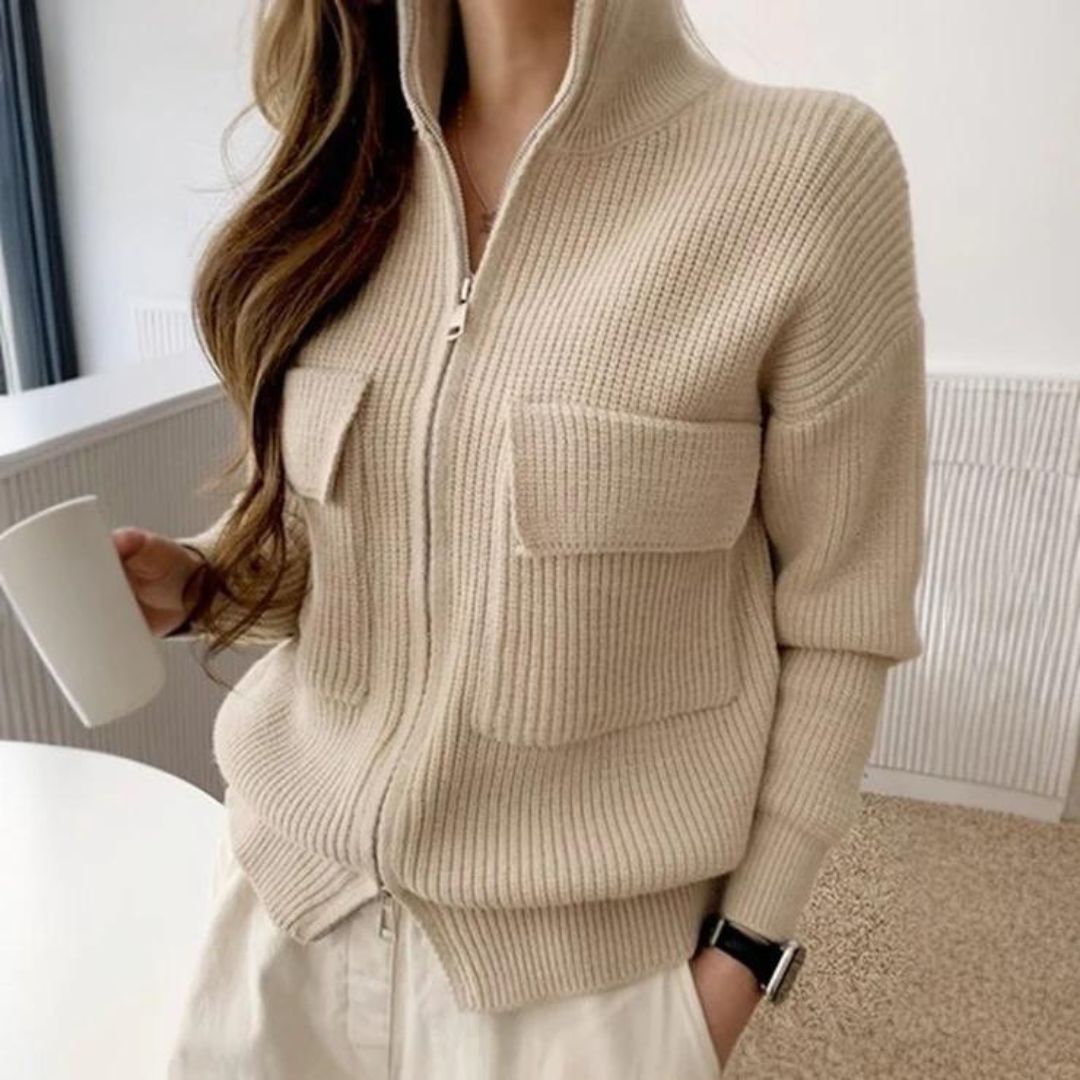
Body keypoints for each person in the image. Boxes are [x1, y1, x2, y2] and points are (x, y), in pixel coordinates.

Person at [114, 0, 927, 1075]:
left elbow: (841, 618)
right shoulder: (342, 165)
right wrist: (204, 581)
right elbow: (350, 534)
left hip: (574, 996)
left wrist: (743, 956)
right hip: (282, 922)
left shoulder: (805, 172)